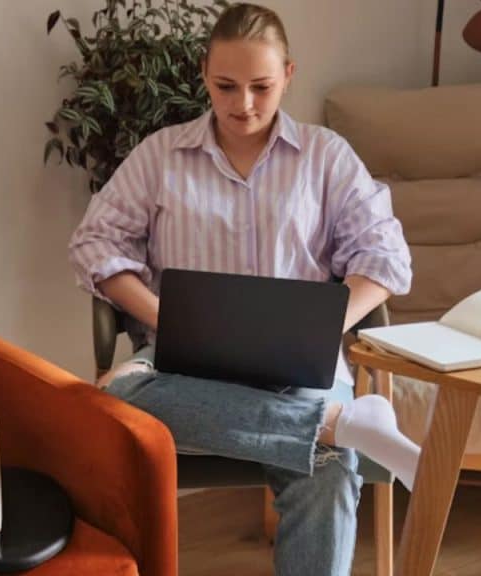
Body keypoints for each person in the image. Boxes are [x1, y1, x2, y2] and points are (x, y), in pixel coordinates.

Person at [68, 3, 419, 574]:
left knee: (327, 472)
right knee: (115, 400)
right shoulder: (160, 156)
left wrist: (327, 323)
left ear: (288, 74)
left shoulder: (327, 157)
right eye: (226, 86)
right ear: (203, 72)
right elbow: (93, 246)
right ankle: (338, 426)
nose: (244, 104)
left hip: (303, 365)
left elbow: (385, 258)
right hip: (181, 362)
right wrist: (162, 317)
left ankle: (330, 429)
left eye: (261, 85)